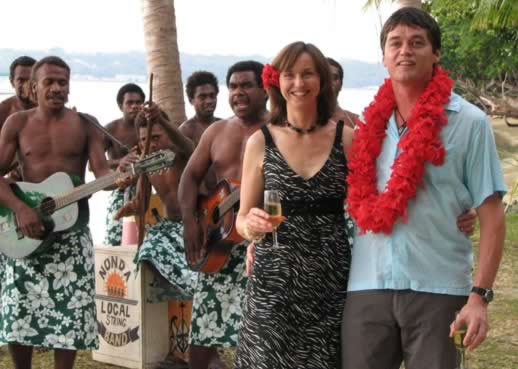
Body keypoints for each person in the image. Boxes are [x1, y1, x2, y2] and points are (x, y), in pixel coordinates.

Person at [341, 7, 506, 369]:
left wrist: (479, 297)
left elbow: (492, 217)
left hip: (439, 286)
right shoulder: (365, 127)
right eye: (395, 43)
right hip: (367, 285)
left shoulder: (470, 123)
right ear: (383, 56)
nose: (405, 51)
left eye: (417, 43)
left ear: (436, 54)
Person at [233, 41, 354, 369]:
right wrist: (250, 226)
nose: (299, 84)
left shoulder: (346, 138)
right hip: (272, 280)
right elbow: (241, 219)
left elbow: (373, 200)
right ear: (277, 80)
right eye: (290, 75)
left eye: (308, 74)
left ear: (322, 81)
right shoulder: (260, 141)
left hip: (330, 279)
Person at [0, 56, 112, 369]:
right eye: (49, 81)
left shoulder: (86, 124)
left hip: (72, 233)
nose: (56, 88)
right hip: (25, 231)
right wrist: (20, 208)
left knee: (72, 315)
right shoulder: (17, 124)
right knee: (18, 311)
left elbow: (103, 174)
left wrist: (123, 176)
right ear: (33, 87)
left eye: (62, 82)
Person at [178, 60, 268, 369]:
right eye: (233, 86)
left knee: (262, 337)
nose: (238, 93)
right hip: (217, 242)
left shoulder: (280, 130)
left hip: (263, 244)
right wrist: (190, 221)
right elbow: (189, 177)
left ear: (266, 89)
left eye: (247, 85)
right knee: (202, 340)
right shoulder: (216, 131)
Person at [114, 102, 197, 301]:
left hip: (195, 224)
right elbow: (141, 203)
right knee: (148, 248)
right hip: (170, 228)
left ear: (168, 134)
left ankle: (194, 287)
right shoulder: (147, 163)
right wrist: (130, 207)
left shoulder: (180, 154)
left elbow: (188, 145)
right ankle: (179, 290)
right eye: (144, 140)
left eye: (156, 137)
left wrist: (160, 119)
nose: (150, 144)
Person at [102, 83, 145, 246]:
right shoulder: (111, 129)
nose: (135, 106)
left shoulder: (147, 128)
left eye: (138, 102)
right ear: (121, 106)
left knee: (142, 238)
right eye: (130, 103)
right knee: (115, 239)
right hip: (119, 190)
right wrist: (121, 161)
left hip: (144, 190)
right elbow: (94, 166)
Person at [179, 70, 221, 194]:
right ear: (191, 100)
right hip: (201, 202)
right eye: (202, 97)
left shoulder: (225, 126)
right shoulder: (186, 131)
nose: (209, 101)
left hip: (228, 197)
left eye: (212, 96)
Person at [0, 56, 37, 180]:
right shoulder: (3, 111)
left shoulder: (53, 111)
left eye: (31, 80)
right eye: (21, 80)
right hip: (15, 183)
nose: (27, 85)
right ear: (12, 81)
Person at [327, 57, 358, 128]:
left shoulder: (355, 121)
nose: (329, 83)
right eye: (324, 77)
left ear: (341, 84)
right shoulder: (303, 122)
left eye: (334, 78)